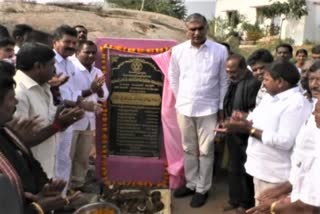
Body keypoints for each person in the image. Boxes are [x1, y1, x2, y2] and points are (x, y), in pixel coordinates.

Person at [219, 60, 311, 206]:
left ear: (280, 82)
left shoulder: (296, 104)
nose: (263, 83)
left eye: (267, 79)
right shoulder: (270, 97)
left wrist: (248, 129)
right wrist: (242, 117)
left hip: (275, 175)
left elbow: (284, 141)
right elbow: (256, 118)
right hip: (261, 168)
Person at [0, 60, 81, 213]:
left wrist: (41, 193)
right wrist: (39, 207)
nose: (16, 101)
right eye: (11, 99)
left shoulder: (6, 133)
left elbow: (26, 169)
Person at [168, 13, 229, 207]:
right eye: (192, 29)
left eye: (200, 28)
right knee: (188, 148)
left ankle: (202, 188)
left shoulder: (219, 50)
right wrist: (182, 100)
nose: (196, 32)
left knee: (206, 150)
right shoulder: (177, 51)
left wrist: (220, 107)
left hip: (209, 109)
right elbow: (174, 77)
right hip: (184, 108)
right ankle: (191, 183)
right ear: (186, 31)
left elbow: (223, 81)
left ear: (206, 28)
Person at [13, 42, 85, 178]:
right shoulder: (18, 92)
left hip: (45, 168)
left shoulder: (44, 87)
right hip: (29, 173)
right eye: (52, 65)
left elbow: (48, 119)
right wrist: (59, 125)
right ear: (38, 67)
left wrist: (65, 115)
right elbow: (19, 141)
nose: (55, 71)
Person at [67, 40, 108, 190]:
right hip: (71, 121)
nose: (91, 55)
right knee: (68, 156)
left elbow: (104, 97)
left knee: (83, 157)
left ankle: (78, 184)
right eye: (87, 52)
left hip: (89, 122)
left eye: (93, 52)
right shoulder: (71, 69)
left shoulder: (97, 72)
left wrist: (99, 89)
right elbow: (69, 95)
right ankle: (65, 188)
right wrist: (91, 89)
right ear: (77, 53)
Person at [222, 54, 260, 214]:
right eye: (227, 71)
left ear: (244, 69)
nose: (230, 75)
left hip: (246, 135)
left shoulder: (253, 84)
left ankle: (245, 204)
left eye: (233, 72)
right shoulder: (234, 82)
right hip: (233, 134)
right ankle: (234, 199)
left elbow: (254, 112)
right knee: (233, 168)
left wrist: (240, 121)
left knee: (246, 171)